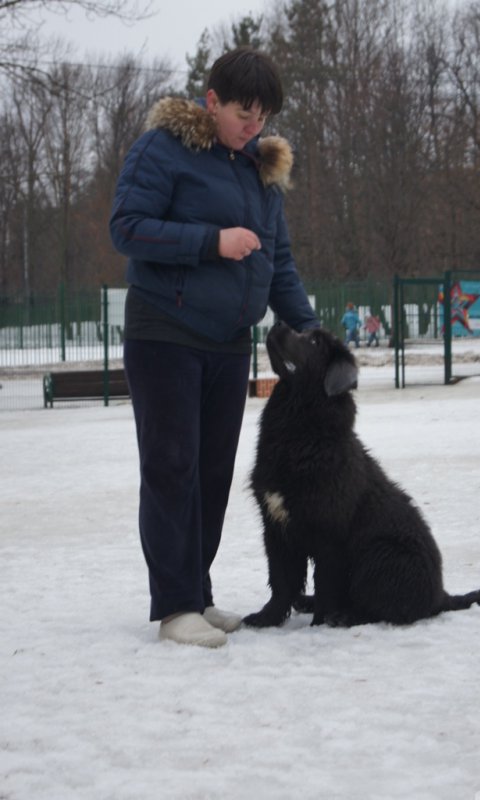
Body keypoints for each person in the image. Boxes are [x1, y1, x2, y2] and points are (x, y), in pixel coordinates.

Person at [109, 47, 319, 648]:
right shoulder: (164, 150)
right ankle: (175, 607)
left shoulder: (261, 173)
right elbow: (126, 227)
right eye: (243, 113)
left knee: (212, 474)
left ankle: (196, 593)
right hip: (164, 333)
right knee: (171, 467)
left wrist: (310, 332)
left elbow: (278, 263)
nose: (254, 126)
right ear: (212, 102)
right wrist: (212, 242)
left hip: (229, 344)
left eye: (264, 117)